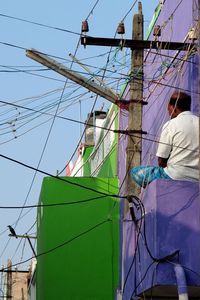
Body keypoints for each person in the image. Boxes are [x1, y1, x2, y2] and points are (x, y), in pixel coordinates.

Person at [131, 91, 199, 188]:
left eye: (169, 109)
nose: (169, 113)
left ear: (173, 107)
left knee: (135, 172)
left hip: (174, 175)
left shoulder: (171, 124)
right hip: (197, 177)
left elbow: (161, 161)